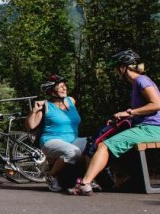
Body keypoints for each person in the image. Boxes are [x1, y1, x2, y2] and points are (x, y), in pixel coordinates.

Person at [69, 49, 160, 196]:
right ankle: (123, 178)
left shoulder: (141, 80)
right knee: (108, 142)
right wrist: (125, 117)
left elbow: (157, 104)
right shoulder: (137, 83)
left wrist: (129, 112)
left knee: (104, 146)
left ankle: (85, 183)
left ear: (123, 67)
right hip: (147, 127)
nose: (116, 72)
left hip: (152, 129)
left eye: (117, 68)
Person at [26, 75, 88, 192]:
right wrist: (34, 111)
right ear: (51, 91)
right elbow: (31, 126)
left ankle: (87, 180)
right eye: (60, 87)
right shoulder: (45, 106)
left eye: (65, 86)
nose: (64, 89)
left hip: (73, 140)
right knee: (72, 152)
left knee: (94, 144)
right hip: (50, 141)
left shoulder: (71, 100)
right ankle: (51, 176)